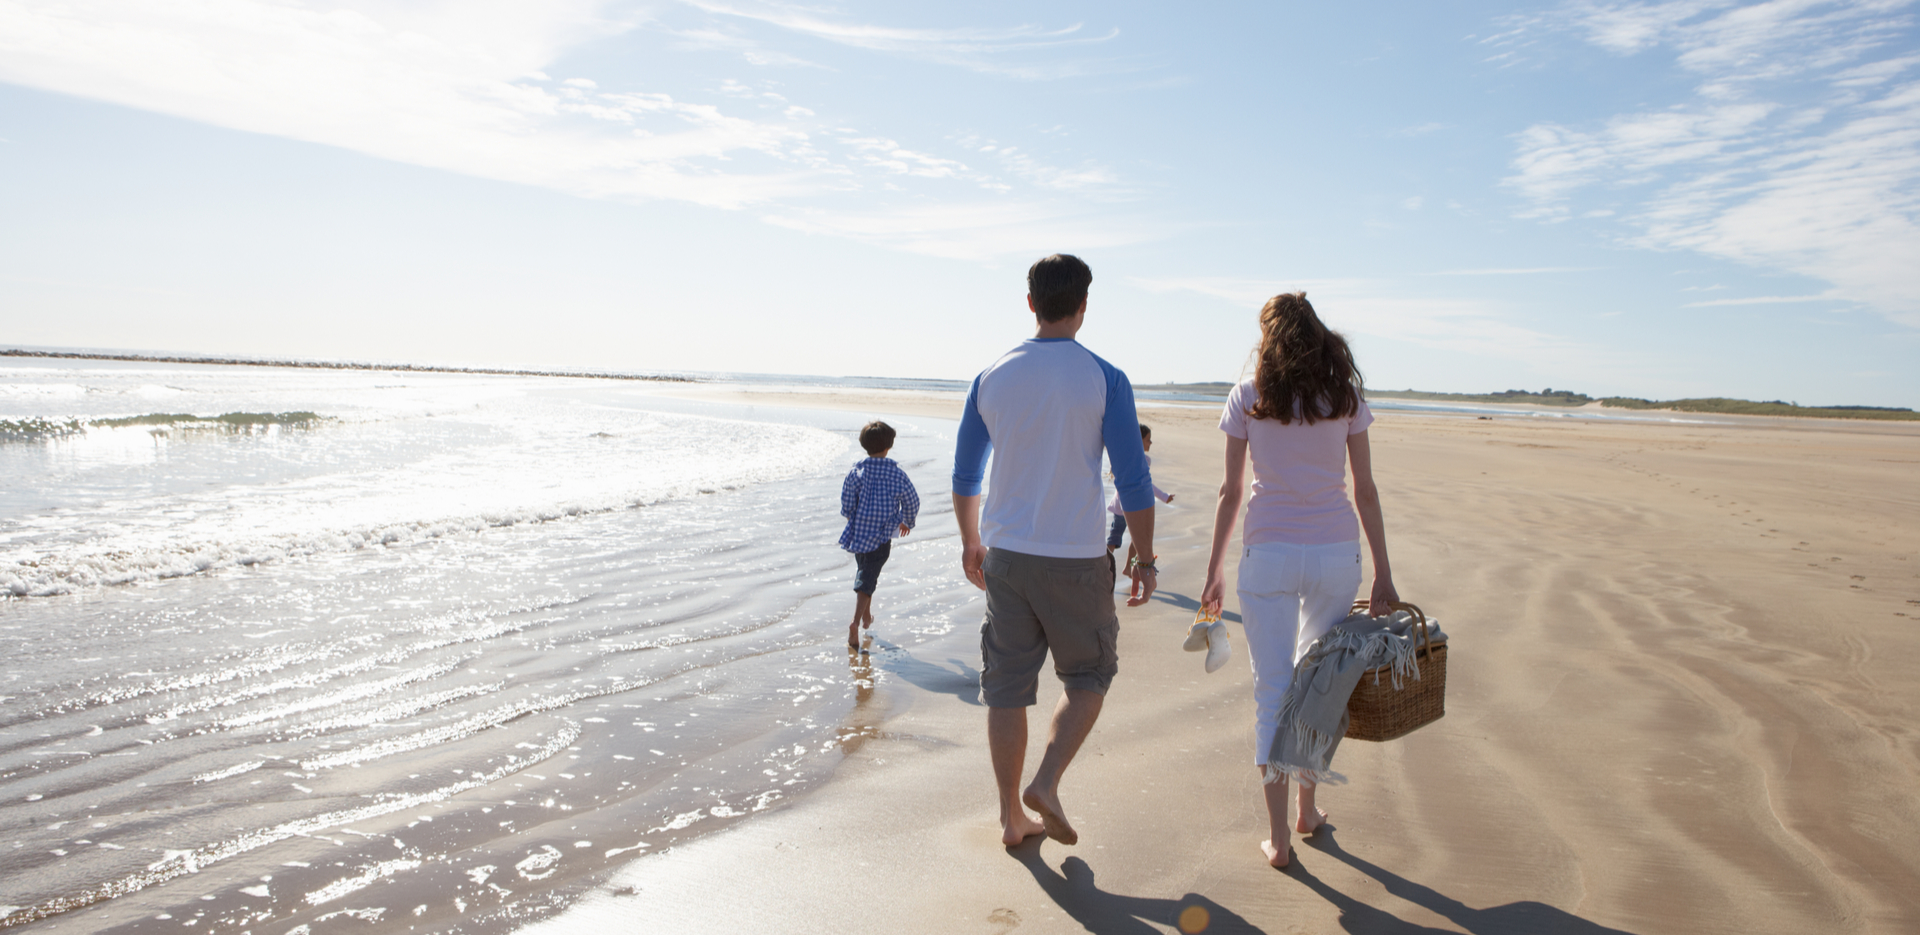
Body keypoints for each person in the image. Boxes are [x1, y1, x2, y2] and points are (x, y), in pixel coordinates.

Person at [953, 253, 1158, 848]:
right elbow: (1133, 479)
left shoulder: (992, 374)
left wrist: (972, 540)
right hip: (1074, 558)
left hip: (1007, 556)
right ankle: (1045, 781)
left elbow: (967, 474)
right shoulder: (1104, 377)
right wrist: (1144, 557)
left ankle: (1010, 819)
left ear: (1030, 303)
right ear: (1084, 305)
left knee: (1007, 688)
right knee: (1091, 671)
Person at [1197, 292, 1397, 869]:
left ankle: (1281, 839)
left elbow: (1231, 492)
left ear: (1268, 338)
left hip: (1270, 556)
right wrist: (1383, 569)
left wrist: (1213, 570)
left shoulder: (1249, 397)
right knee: (1320, 686)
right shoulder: (1343, 397)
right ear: (1317, 336)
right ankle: (1308, 810)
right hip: (1335, 552)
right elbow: (1364, 489)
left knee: (1272, 694)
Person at [839, 420, 919, 651]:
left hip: (860, 534)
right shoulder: (896, 473)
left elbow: (846, 501)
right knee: (867, 576)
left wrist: (850, 517)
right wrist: (907, 521)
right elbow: (912, 499)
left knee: (866, 571)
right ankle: (855, 623)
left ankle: (867, 616)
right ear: (888, 446)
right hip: (882, 535)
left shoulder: (856, 471)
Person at [1106, 424, 1174, 572]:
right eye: (1148, 439)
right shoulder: (1143, 460)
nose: (1150, 443)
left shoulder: (1126, 456)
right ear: (1139, 440)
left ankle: (1126, 568)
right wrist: (1164, 496)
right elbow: (1147, 485)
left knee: (1125, 538)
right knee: (1129, 538)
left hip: (1123, 505)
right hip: (1130, 506)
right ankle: (1107, 565)